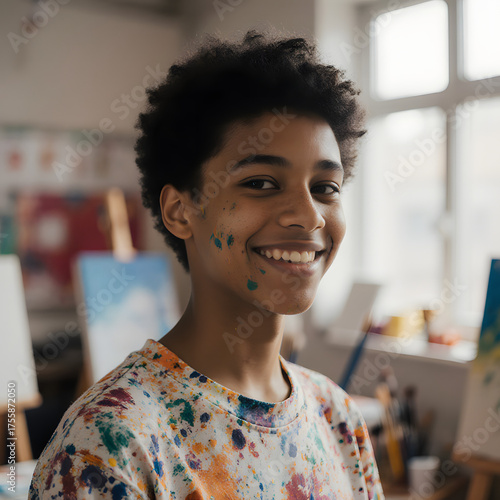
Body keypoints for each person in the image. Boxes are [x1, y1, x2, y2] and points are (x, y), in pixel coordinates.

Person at [29, 28, 385, 499]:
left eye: (325, 187)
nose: (308, 215)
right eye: (260, 183)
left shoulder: (336, 416)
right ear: (181, 211)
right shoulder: (109, 444)